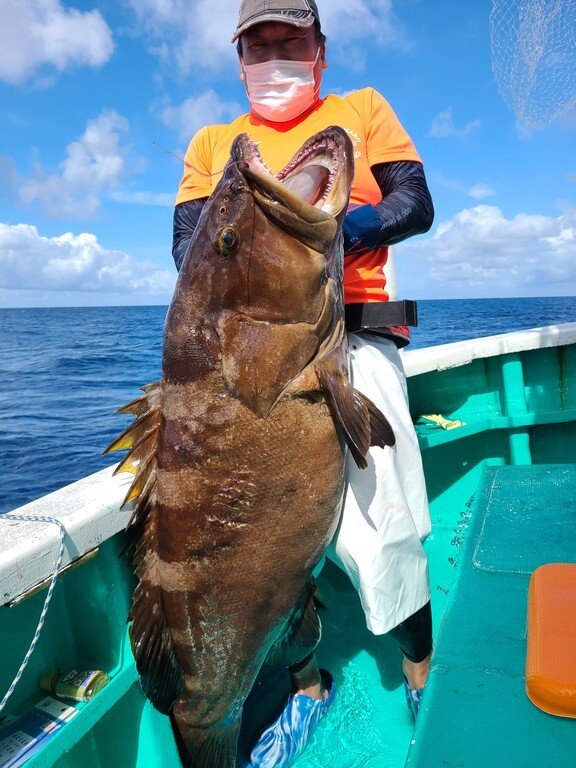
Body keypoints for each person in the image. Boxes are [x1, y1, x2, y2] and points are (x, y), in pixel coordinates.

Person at [172, 1, 434, 765]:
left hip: (354, 340)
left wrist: (345, 229)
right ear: (239, 57)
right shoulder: (214, 143)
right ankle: (307, 686)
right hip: (251, 359)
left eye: (291, 40)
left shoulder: (360, 110)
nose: (275, 54)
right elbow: (191, 245)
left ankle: (422, 675)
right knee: (271, 547)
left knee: (385, 528)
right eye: (261, 43)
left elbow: (415, 202)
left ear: (320, 48)